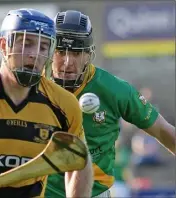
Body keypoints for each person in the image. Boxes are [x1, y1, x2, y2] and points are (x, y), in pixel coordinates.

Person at [0, 9, 93, 198]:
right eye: (26, 44)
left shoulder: (64, 105)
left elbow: (78, 161)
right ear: (3, 45)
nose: (34, 54)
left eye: (43, 47)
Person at [45, 10, 175, 198]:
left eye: (76, 52)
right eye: (60, 52)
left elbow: (163, 131)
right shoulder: (32, 86)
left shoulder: (114, 90)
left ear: (88, 54)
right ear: (49, 51)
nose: (67, 62)